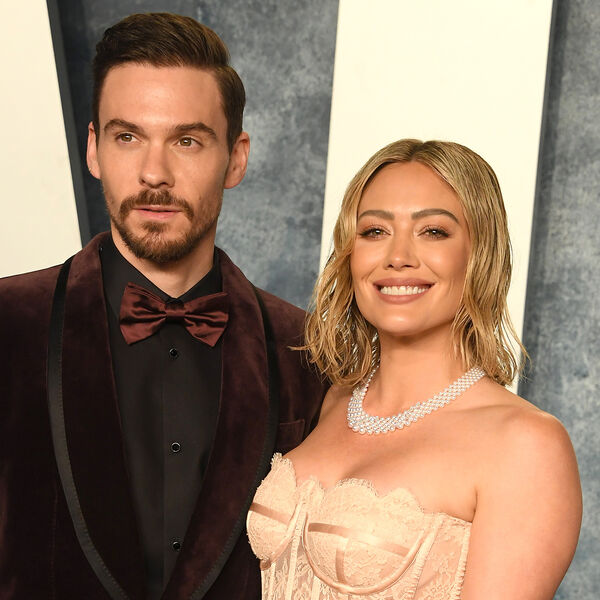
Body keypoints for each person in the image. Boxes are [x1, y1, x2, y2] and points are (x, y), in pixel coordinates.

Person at [0, 13, 326, 600]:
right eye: (128, 137)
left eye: (187, 141)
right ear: (94, 149)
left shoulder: (308, 351)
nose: (155, 173)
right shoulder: (6, 323)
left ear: (236, 158)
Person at [247, 139, 582, 599]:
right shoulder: (332, 400)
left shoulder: (526, 444)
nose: (398, 255)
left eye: (433, 231)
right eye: (374, 231)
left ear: (480, 253)